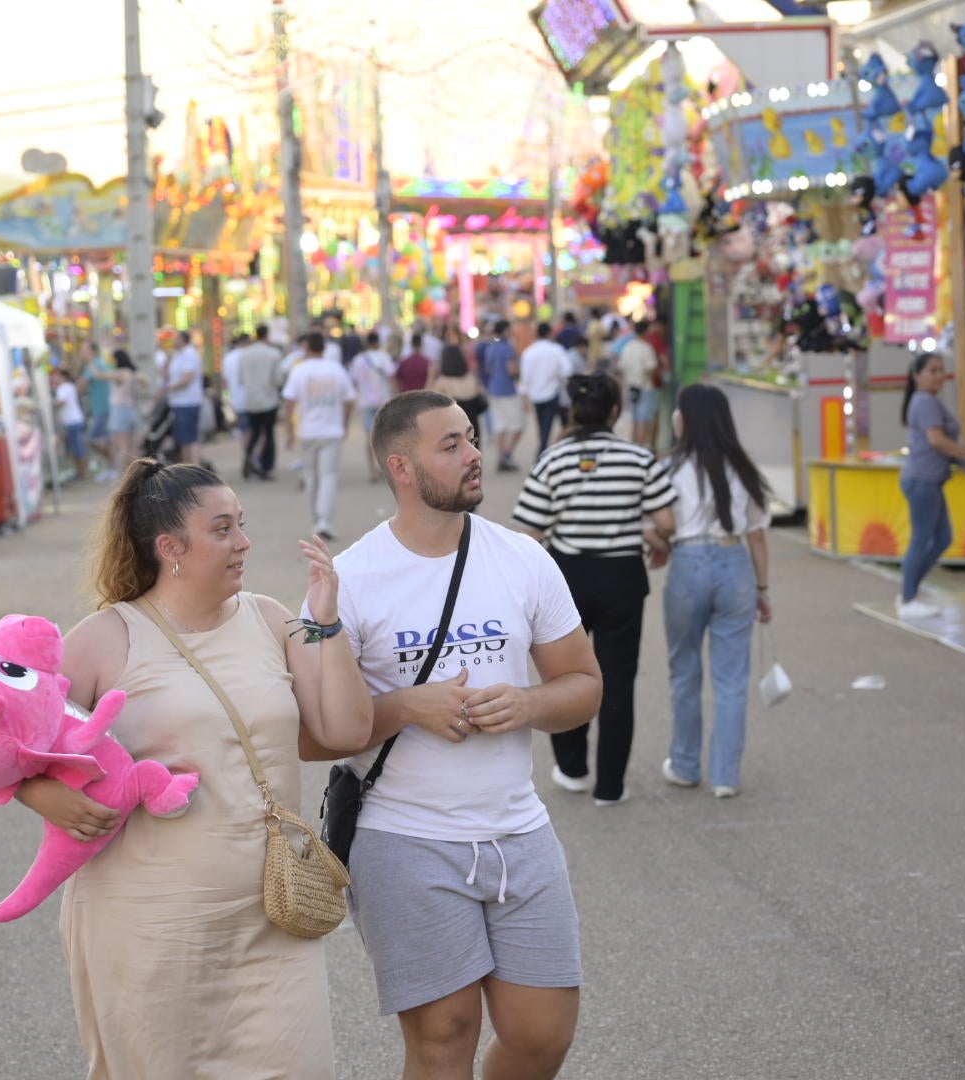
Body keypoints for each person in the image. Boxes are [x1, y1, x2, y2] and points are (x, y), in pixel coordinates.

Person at [17, 459, 372, 1078]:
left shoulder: (268, 618)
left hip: (276, 914)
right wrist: (39, 793)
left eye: (241, 525)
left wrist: (327, 619)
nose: (244, 542)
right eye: (223, 528)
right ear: (170, 548)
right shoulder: (105, 638)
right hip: (152, 930)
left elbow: (343, 731)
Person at [305, 390, 602, 1080]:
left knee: (541, 1035)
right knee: (443, 1037)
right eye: (452, 446)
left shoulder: (522, 559)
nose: (475, 455)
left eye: (471, 438)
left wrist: (527, 704)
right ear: (402, 468)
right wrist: (406, 707)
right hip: (403, 838)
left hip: (517, 832)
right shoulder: (349, 580)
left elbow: (583, 686)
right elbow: (315, 734)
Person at [512, 373, 675, 806]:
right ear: (615, 411)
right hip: (623, 577)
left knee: (567, 675)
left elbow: (528, 530)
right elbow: (667, 524)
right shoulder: (638, 457)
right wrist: (644, 533)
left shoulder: (553, 459)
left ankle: (572, 767)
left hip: (567, 580)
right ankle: (611, 786)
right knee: (618, 680)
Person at [656, 385, 773, 800]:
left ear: (685, 419)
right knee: (732, 679)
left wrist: (657, 546)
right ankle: (725, 775)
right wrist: (762, 588)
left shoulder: (668, 469)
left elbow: (660, 527)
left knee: (684, 671)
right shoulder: (742, 467)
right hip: (735, 564)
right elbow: (757, 536)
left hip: (687, 565)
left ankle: (686, 765)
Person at [898, 351, 965, 619]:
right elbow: (937, 440)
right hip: (922, 479)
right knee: (922, 538)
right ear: (917, 375)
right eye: (931, 370)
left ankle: (910, 588)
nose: (938, 376)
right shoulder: (924, 402)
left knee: (942, 537)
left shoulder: (928, 401)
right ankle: (908, 598)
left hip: (929, 480)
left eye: (940, 370)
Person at [281, 331, 357, 540]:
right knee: (328, 476)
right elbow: (349, 398)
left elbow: (289, 401)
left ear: (305, 347)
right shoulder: (336, 369)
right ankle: (324, 520)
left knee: (311, 476)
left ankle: (316, 519)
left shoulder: (299, 371)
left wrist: (289, 430)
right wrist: (344, 423)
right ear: (324, 348)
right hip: (332, 430)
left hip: (307, 431)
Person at [348, 329, 397, 481]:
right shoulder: (384, 357)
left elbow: (353, 380)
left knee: (369, 437)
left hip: (366, 401)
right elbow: (391, 377)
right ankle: (386, 469)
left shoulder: (358, 360)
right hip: (384, 401)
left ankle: (372, 471)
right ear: (378, 342)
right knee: (386, 437)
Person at [236, 325, 284, 479]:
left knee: (254, 433)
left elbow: (240, 379)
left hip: (251, 399)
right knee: (268, 434)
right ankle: (266, 467)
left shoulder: (245, 354)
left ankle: (248, 459)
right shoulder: (273, 354)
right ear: (267, 335)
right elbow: (278, 379)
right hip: (269, 399)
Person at [478, 319, 524, 473]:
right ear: (504, 330)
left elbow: (488, 369)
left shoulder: (490, 348)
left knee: (500, 425)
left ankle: (501, 457)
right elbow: (512, 370)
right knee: (518, 425)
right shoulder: (507, 348)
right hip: (508, 390)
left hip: (493, 389)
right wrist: (519, 372)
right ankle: (507, 455)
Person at [519, 321, 568, 456]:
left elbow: (525, 378)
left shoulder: (528, 352)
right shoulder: (557, 350)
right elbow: (566, 371)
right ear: (549, 333)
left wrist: (524, 399)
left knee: (542, 424)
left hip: (536, 395)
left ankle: (542, 449)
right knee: (550, 425)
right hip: (552, 392)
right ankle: (543, 451)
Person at [430, 328, 488, 436]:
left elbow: (428, 402)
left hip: (453, 431)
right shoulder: (471, 378)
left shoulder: (443, 382)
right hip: (473, 429)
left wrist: (430, 376)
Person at [614, 319, 662, 449]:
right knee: (643, 419)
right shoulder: (646, 348)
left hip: (631, 387)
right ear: (646, 331)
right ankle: (641, 447)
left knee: (635, 419)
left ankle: (634, 445)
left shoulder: (628, 347)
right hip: (645, 387)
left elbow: (621, 368)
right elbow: (651, 369)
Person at [165, 331, 208, 468]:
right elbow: (166, 374)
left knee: (190, 437)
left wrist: (170, 388)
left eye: (176, 338)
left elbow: (187, 378)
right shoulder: (178, 355)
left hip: (188, 402)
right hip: (179, 402)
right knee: (184, 439)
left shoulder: (189, 354)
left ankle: (194, 467)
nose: (173, 341)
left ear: (182, 340)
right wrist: (168, 360)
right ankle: (188, 466)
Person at [104, 349, 147, 479]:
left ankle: (124, 476)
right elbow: (146, 382)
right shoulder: (134, 373)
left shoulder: (120, 373)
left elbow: (101, 375)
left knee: (122, 447)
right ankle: (136, 474)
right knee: (132, 446)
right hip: (132, 410)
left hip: (120, 411)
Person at [52, 368, 88, 480]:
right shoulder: (70, 386)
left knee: (77, 448)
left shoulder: (63, 388)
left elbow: (61, 402)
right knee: (77, 447)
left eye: (57, 376)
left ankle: (82, 473)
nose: (55, 378)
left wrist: (50, 402)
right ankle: (81, 472)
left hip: (72, 421)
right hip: (76, 420)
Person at [221, 331, 250, 443]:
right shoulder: (250, 355)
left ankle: (247, 453)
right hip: (253, 400)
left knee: (243, 429)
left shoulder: (228, 358)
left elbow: (225, 383)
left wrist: (226, 403)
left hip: (236, 400)